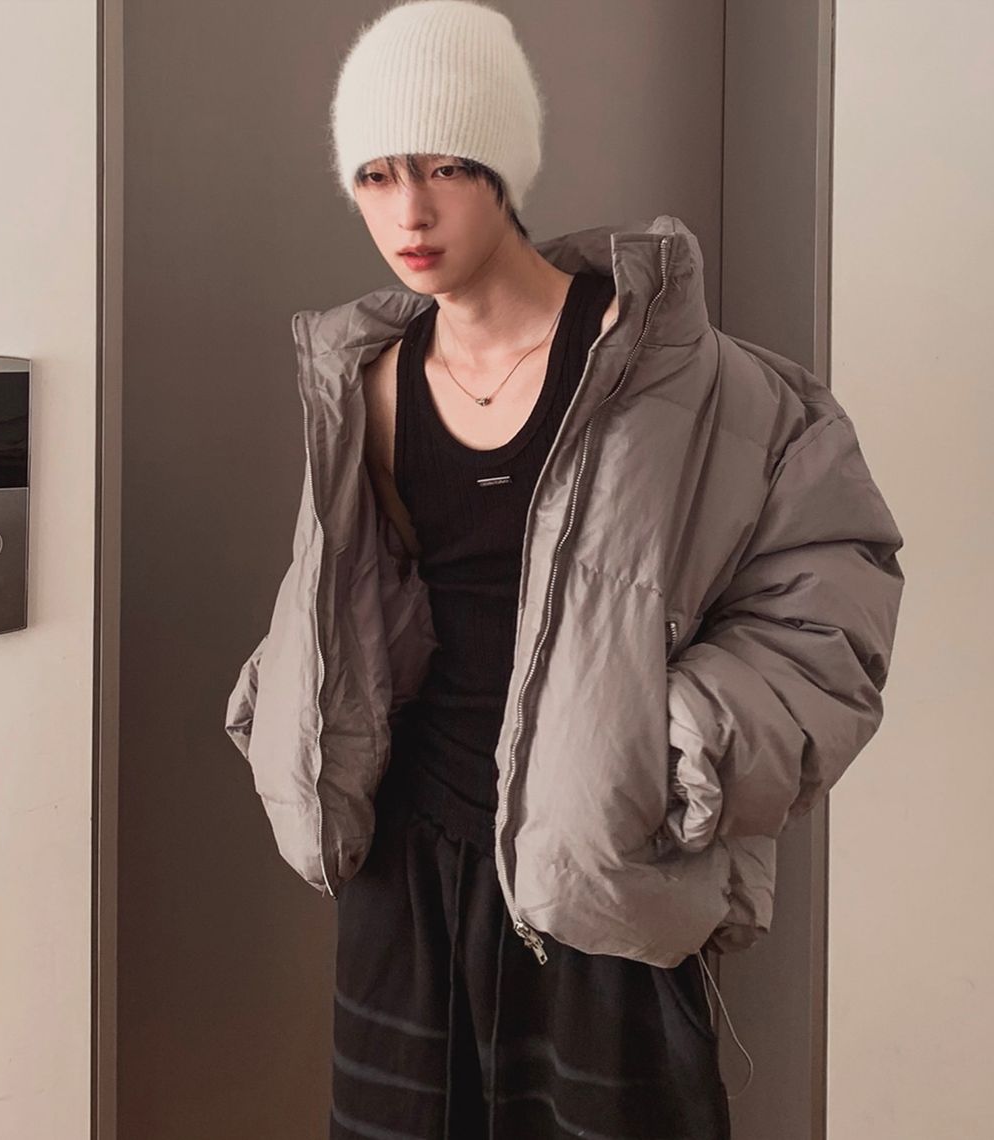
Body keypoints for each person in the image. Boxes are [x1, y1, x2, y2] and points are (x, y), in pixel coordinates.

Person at [224, 2, 905, 1137]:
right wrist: (289, 705)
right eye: (378, 176)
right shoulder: (369, 386)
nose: (410, 211)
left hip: (603, 873)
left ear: (504, 169)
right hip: (407, 871)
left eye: (446, 167)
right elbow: (354, 601)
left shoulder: (673, 373)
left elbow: (834, 599)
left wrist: (681, 741)